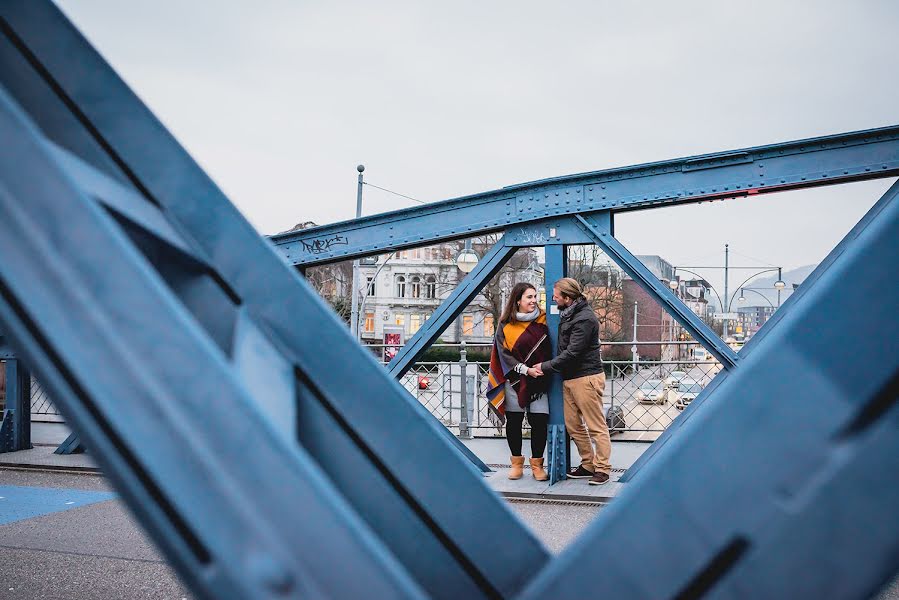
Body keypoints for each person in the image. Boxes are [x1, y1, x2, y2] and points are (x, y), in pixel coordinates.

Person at [531, 277, 611, 485]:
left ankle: (602, 469)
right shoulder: (570, 314)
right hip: (571, 377)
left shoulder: (584, 319)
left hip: (586, 377)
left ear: (567, 298)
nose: (553, 299)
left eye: (556, 296)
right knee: (573, 425)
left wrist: (545, 367)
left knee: (596, 426)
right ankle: (588, 464)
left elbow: (573, 352)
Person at [486, 282, 553, 481]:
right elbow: (503, 355)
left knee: (539, 422)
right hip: (514, 378)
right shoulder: (505, 325)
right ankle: (516, 464)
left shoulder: (546, 320)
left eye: (535, 297)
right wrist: (525, 370)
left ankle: (537, 465)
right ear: (518, 301)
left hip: (540, 380)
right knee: (514, 422)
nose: (534, 301)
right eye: (529, 297)